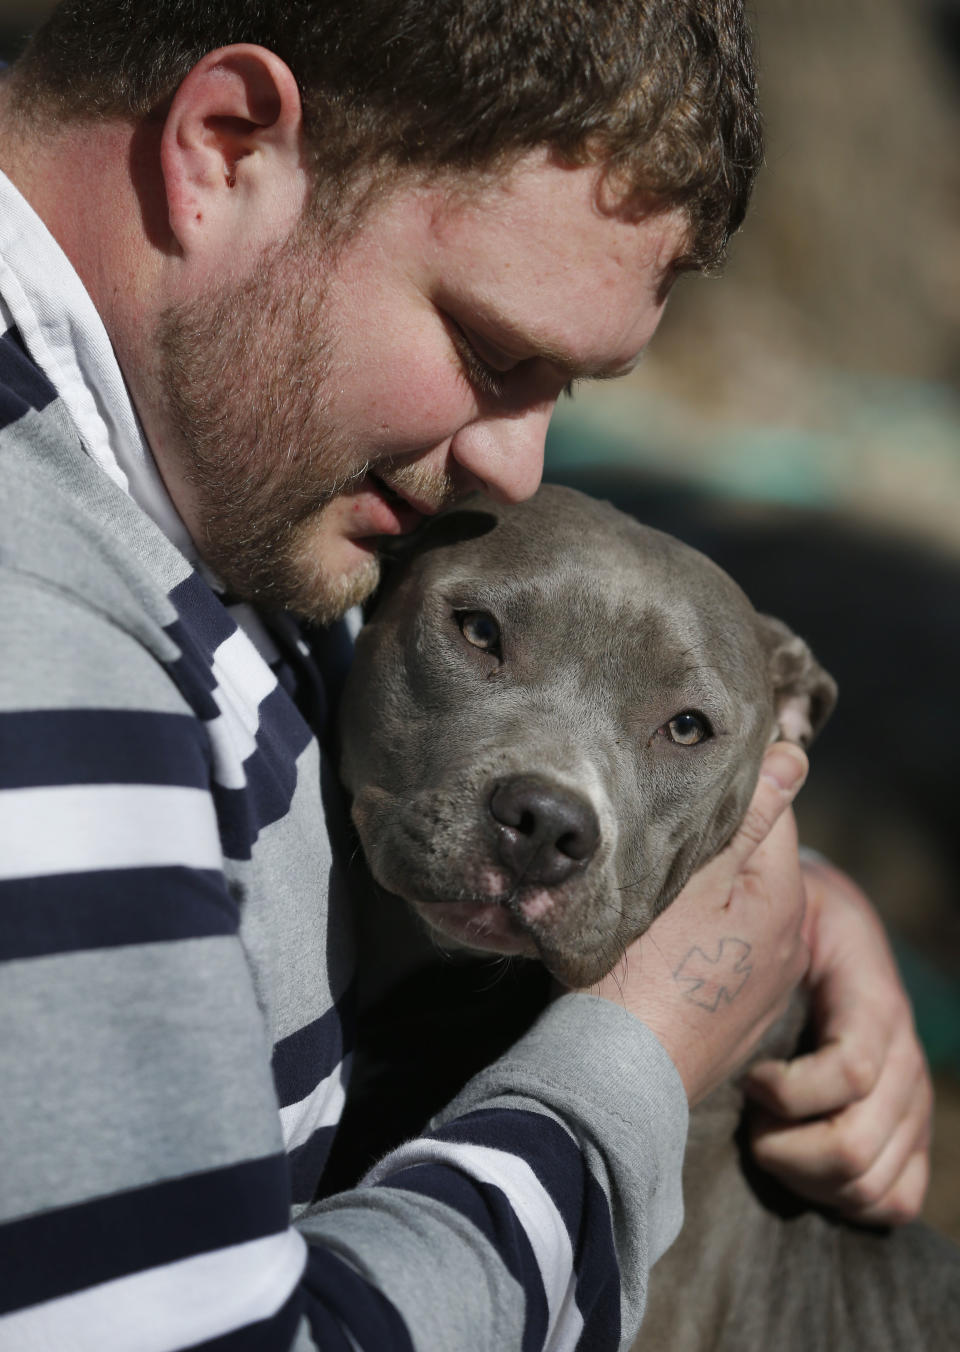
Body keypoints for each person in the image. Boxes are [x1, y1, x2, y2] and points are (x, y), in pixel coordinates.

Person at [0, 2, 932, 1348]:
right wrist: (638, 1060)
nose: (518, 470)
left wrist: (763, 898)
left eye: (568, 389)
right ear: (223, 146)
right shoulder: (40, 651)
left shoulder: (194, 469)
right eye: (492, 353)